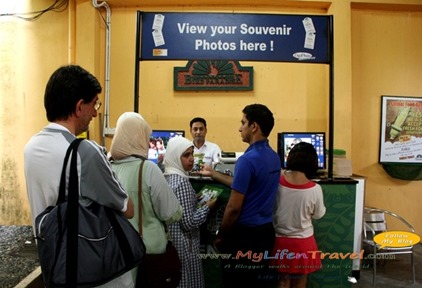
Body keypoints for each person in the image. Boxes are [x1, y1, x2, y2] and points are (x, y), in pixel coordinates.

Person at [23, 65, 135, 287]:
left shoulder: (31, 147)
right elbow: (127, 208)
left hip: (55, 266)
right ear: (79, 106)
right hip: (94, 272)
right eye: (94, 104)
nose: (95, 112)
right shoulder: (85, 152)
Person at [198, 103, 281, 287]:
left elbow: (234, 208)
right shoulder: (274, 157)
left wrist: (221, 235)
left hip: (244, 237)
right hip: (266, 234)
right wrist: (213, 173)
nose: (239, 128)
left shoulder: (247, 160)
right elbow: (247, 185)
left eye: (243, 122)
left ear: (254, 126)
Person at [108, 112, 183, 285]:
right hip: (146, 253)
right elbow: (170, 213)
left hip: (115, 251)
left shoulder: (107, 167)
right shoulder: (148, 169)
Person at [163, 136, 217, 288]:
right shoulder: (182, 183)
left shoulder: (168, 178)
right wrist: (208, 207)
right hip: (186, 246)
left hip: (174, 243)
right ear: (175, 156)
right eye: (186, 155)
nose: (192, 159)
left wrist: (194, 197)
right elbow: (188, 223)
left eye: (192, 154)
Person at [272, 142, 326, 288]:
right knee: (300, 283)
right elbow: (318, 215)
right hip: (304, 243)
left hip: (280, 241)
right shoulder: (315, 189)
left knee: (282, 281)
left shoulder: (277, 182)